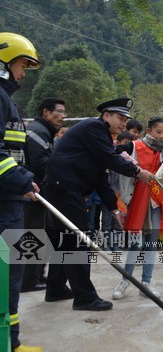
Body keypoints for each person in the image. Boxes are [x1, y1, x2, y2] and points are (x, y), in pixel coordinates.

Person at [44, 97, 155, 311]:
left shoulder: (101, 136)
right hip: (64, 189)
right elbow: (111, 160)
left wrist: (115, 209)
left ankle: (55, 289)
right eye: (120, 118)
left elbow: (100, 179)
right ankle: (84, 297)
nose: (124, 124)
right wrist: (138, 172)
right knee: (78, 241)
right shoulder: (94, 128)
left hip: (63, 189)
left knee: (64, 240)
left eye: (126, 119)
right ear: (106, 115)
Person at [0, 32, 43, 352]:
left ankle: (11, 342)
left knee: (12, 272)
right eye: (21, 64)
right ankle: (8, 344)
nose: (23, 72)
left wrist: (23, 181)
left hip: (11, 198)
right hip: (4, 203)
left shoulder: (5, 98)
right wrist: (21, 181)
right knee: (8, 274)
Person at [113, 117, 163, 300]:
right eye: (158, 132)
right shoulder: (134, 146)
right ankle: (125, 281)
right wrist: (135, 167)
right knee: (135, 244)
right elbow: (116, 152)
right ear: (148, 130)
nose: (161, 136)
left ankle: (146, 283)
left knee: (151, 244)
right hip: (137, 201)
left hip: (155, 203)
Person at [22, 98, 66, 293]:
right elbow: (41, 164)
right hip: (33, 192)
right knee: (34, 235)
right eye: (59, 111)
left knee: (47, 232)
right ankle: (28, 281)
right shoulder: (38, 131)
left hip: (41, 191)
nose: (63, 116)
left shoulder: (44, 131)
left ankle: (37, 275)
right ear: (46, 113)